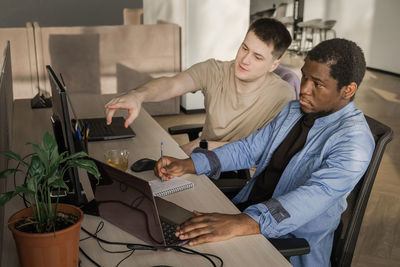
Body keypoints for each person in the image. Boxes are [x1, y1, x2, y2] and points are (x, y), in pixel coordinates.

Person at [153, 38, 375, 267]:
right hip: (248, 216)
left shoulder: (354, 141)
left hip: (283, 243)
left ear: (348, 90)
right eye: (304, 77)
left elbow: (313, 195)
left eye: (317, 84)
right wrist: (190, 163)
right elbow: (249, 149)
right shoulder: (294, 111)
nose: (304, 90)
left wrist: (243, 223)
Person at [105, 18, 296, 155]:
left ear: (273, 65)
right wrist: (139, 95)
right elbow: (172, 84)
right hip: (202, 157)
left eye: (258, 57)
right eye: (245, 48)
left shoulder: (283, 95)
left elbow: (263, 148)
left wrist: (203, 146)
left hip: (241, 172)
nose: (245, 60)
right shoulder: (214, 70)